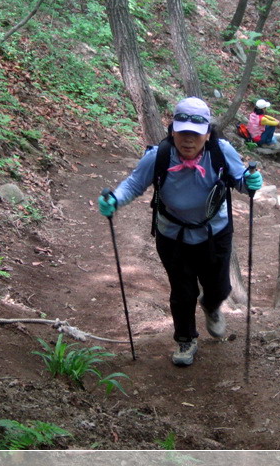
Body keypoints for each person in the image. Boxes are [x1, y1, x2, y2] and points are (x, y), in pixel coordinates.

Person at [97, 97, 263, 367]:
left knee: (219, 287)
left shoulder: (221, 152)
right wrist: (114, 200)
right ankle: (185, 339)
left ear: (207, 134)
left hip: (215, 233)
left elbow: (242, 181)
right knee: (182, 291)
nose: (188, 139)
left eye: (196, 134)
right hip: (173, 236)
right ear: (172, 130)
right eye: (183, 131)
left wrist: (251, 181)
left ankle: (211, 305)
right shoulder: (159, 156)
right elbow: (133, 184)